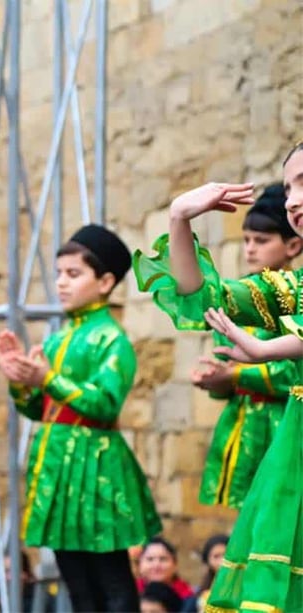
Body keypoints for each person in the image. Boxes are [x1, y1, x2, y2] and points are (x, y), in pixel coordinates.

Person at [132, 141, 303, 611]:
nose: (292, 198)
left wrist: (268, 351)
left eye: (302, 183)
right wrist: (179, 218)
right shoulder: (290, 289)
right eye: (288, 187)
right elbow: (205, 296)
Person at [0, 224, 161, 612]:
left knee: (111, 581)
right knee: (77, 585)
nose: (61, 284)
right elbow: (39, 410)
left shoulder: (111, 339)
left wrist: (47, 378)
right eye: (58, 274)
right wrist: (20, 381)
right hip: (59, 468)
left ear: (105, 282)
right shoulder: (57, 339)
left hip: (97, 468)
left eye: (73, 274)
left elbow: (104, 403)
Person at [188, 184, 300, 508]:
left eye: (262, 241)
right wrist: (216, 379)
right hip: (242, 425)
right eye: (247, 239)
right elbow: (227, 378)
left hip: (282, 422)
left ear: (293, 244)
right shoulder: (237, 304)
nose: (250, 249)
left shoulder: (295, 297)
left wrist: (236, 375)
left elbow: (289, 371)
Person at [180, 534, 228, 612]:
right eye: (216, 556)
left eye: (226, 555)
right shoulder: (198, 597)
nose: (222, 561)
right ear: (207, 561)